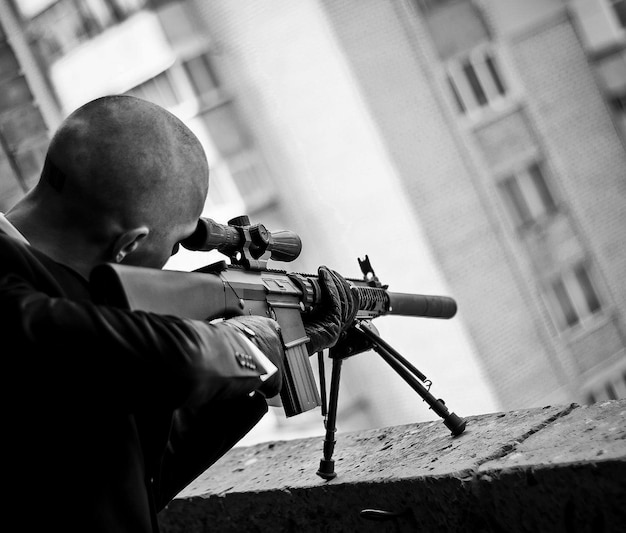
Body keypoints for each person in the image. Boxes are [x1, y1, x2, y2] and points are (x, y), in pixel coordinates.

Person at [0, 95, 358, 532]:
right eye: (174, 246)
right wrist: (242, 347)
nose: (170, 260)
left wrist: (272, 363)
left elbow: (126, 475)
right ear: (129, 244)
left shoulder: (82, 330)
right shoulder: (37, 312)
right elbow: (79, 344)